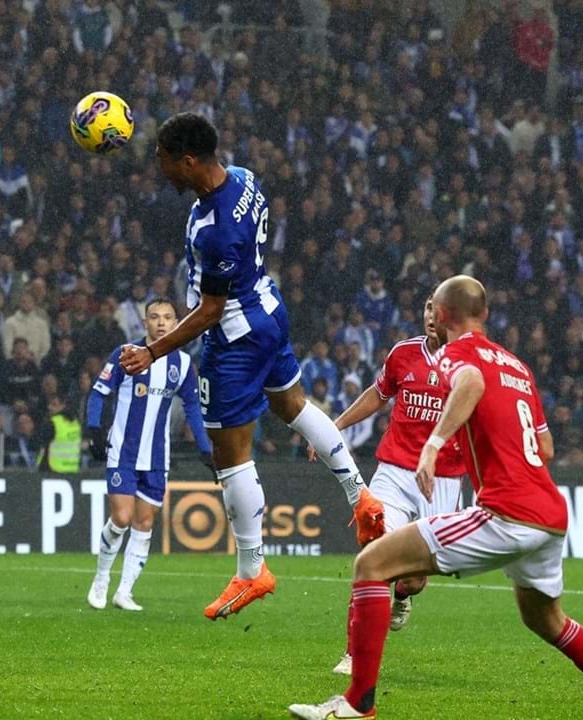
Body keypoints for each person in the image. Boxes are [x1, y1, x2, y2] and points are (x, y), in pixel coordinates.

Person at [289, 276, 583, 720]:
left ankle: (357, 704)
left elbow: (468, 383)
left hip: (506, 512)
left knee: (371, 564)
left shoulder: (458, 354)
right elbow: (545, 449)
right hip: (549, 513)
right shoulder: (517, 366)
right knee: (548, 622)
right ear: (484, 313)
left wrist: (434, 444)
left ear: (442, 315)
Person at [119, 113, 384, 621]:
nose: (161, 169)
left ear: (189, 160)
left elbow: (210, 310)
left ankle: (251, 569)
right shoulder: (244, 178)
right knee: (292, 404)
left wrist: (153, 351)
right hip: (269, 310)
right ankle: (360, 495)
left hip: (235, 338)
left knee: (231, 455)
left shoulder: (213, 230)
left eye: (165, 160)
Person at [320, 297, 466, 676]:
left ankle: (403, 596)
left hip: (443, 479)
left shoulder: (470, 364)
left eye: (441, 309)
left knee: (416, 578)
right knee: (373, 556)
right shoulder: (403, 353)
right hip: (395, 471)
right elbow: (377, 395)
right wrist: (335, 426)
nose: (433, 316)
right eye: (429, 307)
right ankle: (354, 654)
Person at [85, 298, 212, 611]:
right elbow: (99, 393)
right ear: (145, 322)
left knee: (143, 523)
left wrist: (206, 447)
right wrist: (95, 431)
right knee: (122, 518)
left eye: (168, 317)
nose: (161, 323)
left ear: (176, 323)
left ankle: (124, 591)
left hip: (156, 457)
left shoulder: (181, 364)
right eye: (154, 317)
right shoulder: (127, 353)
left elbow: (193, 408)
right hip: (123, 452)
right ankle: (101, 579)